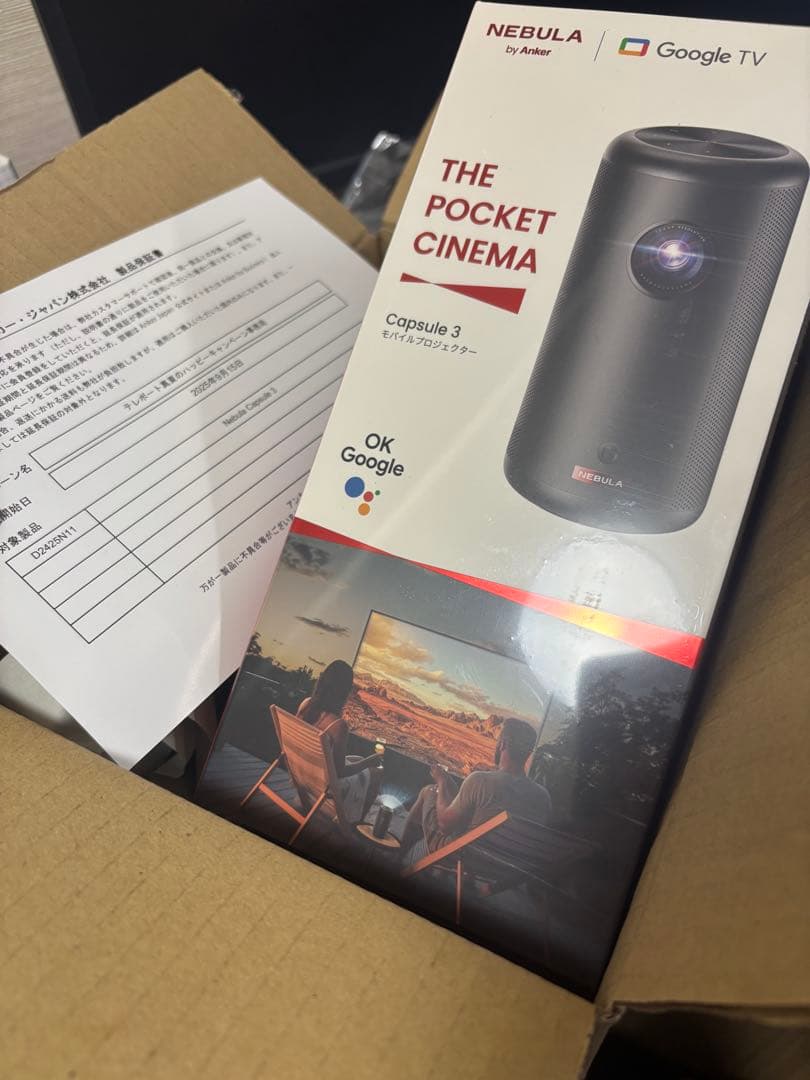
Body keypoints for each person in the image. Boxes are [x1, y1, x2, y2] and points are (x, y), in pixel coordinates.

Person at [400, 717, 551, 863]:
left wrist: (442, 782)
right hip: (501, 869)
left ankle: (398, 852)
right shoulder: (543, 798)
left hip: (461, 859)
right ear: (528, 753)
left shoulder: (480, 780)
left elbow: (445, 826)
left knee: (429, 791)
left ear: (502, 744)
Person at [297, 659, 382, 823]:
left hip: (299, 772)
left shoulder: (306, 704)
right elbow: (340, 772)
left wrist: (362, 762)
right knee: (375, 773)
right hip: (321, 784)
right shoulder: (338, 725)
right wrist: (369, 762)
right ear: (344, 692)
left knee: (356, 759)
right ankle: (356, 823)